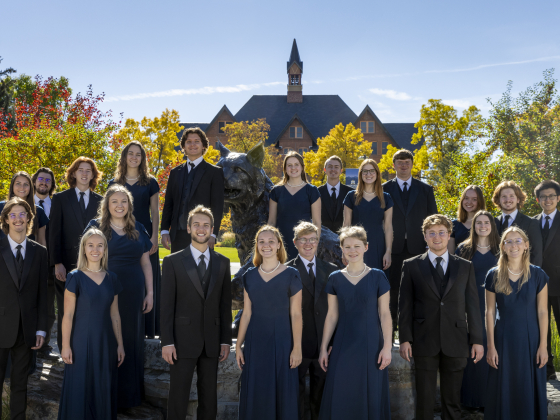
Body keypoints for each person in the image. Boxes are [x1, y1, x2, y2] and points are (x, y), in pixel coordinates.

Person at [398, 214, 484, 420]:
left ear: (449, 235)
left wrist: (477, 340)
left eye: (441, 233)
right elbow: (405, 306)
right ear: (425, 237)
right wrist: (405, 339)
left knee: (452, 400)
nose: (437, 237)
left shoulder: (465, 266)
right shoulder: (411, 265)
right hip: (423, 339)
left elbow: (473, 306)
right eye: (432, 233)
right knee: (425, 400)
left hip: (456, 340)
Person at [84, 184, 153, 409]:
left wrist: (150, 292)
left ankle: (128, 397)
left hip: (133, 293)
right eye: (114, 201)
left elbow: (146, 263)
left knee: (131, 340)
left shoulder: (139, 228)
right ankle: (103, 394)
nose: (119, 205)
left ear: (129, 205)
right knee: (106, 338)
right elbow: (85, 260)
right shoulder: (95, 227)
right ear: (107, 205)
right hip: (103, 290)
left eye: (124, 201)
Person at [160, 205, 232, 420]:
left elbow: (224, 304)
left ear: (212, 229)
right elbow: (166, 305)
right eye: (197, 225)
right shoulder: (172, 262)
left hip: (212, 342)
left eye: (206, 225)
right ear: (189, 228)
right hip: (181, 342)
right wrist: (166, 341)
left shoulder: (223, 262)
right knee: (178, 396)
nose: (202, 229)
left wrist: (225, 340)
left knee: (209, 398)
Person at [318, 226, 392, 419]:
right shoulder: (335, 278)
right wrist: (324, 348)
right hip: (343, 344)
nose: (352, 250)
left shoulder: (378, 276)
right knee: (341, 392)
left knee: (370, 393)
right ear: (341, 248)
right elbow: (332, 316)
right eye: (347, 246)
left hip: (372, 345)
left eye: (357, 246)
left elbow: (385, 314)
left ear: (366, 247)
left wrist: (387, 347)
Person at [236, 225, 303, 420]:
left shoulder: (292, 274)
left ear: (279, 245)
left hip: (283, 342)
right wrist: (239, 345)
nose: (266, 245)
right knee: (256, 389)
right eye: (261, 242)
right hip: (255, 342)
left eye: (271, 241)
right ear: (256, 246)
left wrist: (297, 348)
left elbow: (296, 314)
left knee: (283, 391)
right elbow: (246, 313)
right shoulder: (249, 276)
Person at [57, 228, 125, 420]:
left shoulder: (112, 278)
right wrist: (65, 346)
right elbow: (68, 315)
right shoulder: (75, 277)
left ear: (105, 249)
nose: (95, 249)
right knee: (80, 390)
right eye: (91, 245)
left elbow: (115, 315)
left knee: (103, 388)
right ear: (84, 249)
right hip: (80, 344)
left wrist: (119, 344)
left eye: (100, 245)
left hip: (106, 344)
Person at [484, 227, 548, 420]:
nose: (514, 245)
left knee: (528, 386)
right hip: (503, 339)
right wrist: (490, 346)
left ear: (526, 245)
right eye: (509, 241)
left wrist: (543, 346)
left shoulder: (538, 275)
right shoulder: (493, 274)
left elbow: (543, 311)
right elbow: (489, 311)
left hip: (531, 340)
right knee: (503, 386)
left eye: (518, 241)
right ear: (503, 247)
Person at [49, 157, 103, 354]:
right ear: (73, 173)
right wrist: (57, 263)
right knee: (66, 310)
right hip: (66, 265)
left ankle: (86, 350)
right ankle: (66, 352)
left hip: (93, 265)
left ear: (93, 175)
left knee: (89, 308)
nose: (84, 173)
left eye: (89, 170)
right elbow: (53, 233)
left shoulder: (100, 201)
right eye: (80, 170)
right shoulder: (61, 199)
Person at [0, 197, 48, 420]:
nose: (18, 219)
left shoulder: (39, 252)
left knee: (20, 384)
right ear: (6, 220)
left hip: (26, 330)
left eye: (22, 214)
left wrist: (41, 329)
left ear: (29, 218)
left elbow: (43, 294)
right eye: (13, 215)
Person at [286, 222, 338, 420]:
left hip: (323, 345)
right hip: (295, 345)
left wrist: (332, 343)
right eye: (303, 239)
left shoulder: (331, 269)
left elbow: (336, 310)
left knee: (321, 397)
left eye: (312, 239)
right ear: (295, 243)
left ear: (318, 242)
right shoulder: (286, 270)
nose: (308, 244)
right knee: (294, 398)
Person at [110, 141, 162, 338]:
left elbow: (155, 212)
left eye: (138, 154)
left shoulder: (150, 182)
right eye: (130, 153)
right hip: (120, 238)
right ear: (124, 157)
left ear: (142, 158)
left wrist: (155, 237)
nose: (134, 157)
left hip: (144, 237)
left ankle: (148, 328)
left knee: (148, 278)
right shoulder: (114, 183)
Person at [382, 149, 438, 330]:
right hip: (392, 248)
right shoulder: (383, 189)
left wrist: (432, 246)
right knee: (393, 291)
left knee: (417, 291)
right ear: (394, 165)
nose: (403, 165)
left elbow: (433, 220)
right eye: (400, 162)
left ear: (412, 165)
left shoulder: (425, 189)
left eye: (407, 162)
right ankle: (392, 333)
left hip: (419, 248)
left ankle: (415, 333)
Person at [455, 210, 500, 411]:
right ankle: (470, 401)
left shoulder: (501, 249)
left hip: (495, 307)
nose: (482, 226)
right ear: (473, 226)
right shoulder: (463, 249)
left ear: (492, 225)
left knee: (492, 348)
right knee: (472, 351)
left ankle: (490, 400)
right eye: (478, 223)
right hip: (470, 307)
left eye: (486, 222)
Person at [161, 127, 224, 253]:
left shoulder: (215, 172)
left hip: (202, 235)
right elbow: (169, 203)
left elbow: (217, 206)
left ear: (203, 145)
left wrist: (213, 234)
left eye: (197, 141)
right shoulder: (175, 173)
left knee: (201, 272)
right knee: (177, 272)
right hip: (177, 234)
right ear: (183, 146)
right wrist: (164, 230)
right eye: (189, 142)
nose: (192, 144)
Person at [268, 151, 321, 260]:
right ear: (285, 168)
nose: (293, 168)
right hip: (281, 243)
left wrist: (314, 247)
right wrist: (270, 244)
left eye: (296, 164)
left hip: (304, 243)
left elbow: (316, 223)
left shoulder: (312, 191)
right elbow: (271, 222)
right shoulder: (276, 191)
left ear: (302, 167)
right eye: (289, 165)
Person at [343, 159, 393, 271]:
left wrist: (388, 251)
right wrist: (343, 250)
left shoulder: (386, 197)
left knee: (376, 281)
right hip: (355, 246)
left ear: (377, 173)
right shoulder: (351, 196)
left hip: (378, 246)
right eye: (365, 171)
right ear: (360, 174)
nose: (368, 174)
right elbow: (346, 225)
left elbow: (388, 227)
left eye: (372, 171)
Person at [533, 179, 560, 380]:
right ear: (537, 200)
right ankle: (547, 368)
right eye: (543, 197)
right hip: (538, 284)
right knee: (542, 328)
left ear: (558, 198)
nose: (547, 199)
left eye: (551, 196)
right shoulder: (532, 223)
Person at [32, 167, 58, 360]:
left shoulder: (58, 204)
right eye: (40, 179)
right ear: (34, 182)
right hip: (27, 264)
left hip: (50, 264)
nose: (43, 182)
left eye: (48, 180)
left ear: (52, 184)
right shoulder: (23, 204)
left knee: (48, 305)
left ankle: (44, 346)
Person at [492, 180, 542, 266]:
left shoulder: (531, 223)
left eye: (511, 196)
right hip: (497, 274)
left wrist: (530, 277)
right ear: (499, 200)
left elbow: (536, 254)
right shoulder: (492, 223)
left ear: (518, 199)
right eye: (504, 196)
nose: (508, 200)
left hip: (523, 275)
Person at [0, 171, 49, 247]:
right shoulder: (1, 207)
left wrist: (42, 258)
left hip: (29, 257)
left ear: (31, 188)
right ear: (12, 186)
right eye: (18, 183)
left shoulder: (38, 211)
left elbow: (41, 241)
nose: (22, 187)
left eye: (26, 184)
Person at [318, 156, 352, 234]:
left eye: (336, 167)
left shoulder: (350, 192)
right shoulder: (316, 192)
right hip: (322, 240)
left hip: (345, 240)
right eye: (330, 167)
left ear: (341, 171)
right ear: (325, 170)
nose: (333, 169)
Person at [448, 185, 486, 253]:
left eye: (474, 199)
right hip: (459, 263)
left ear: (480, 201)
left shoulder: (487, 223)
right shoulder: (453, 224)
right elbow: (451, 254)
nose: (469, 202)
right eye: (466, 198)